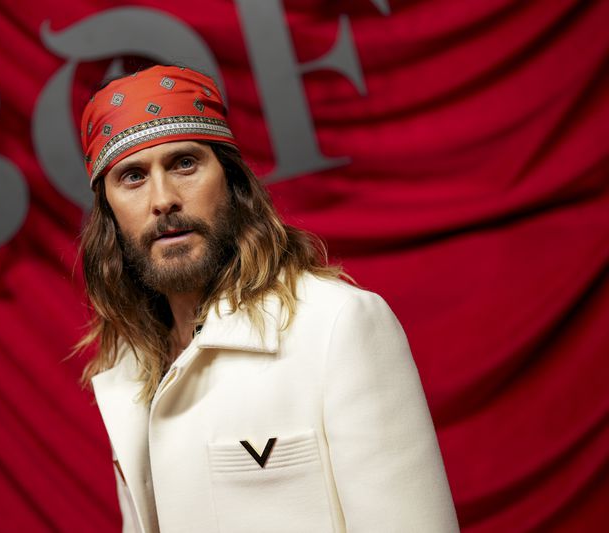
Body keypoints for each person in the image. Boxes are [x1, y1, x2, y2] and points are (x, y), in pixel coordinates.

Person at [75, 64, 459, 533]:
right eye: (132, 176)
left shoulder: (336, 324)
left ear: (233, 183)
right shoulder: (128, 368)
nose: (163, 199)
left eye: (184, 163)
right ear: (109, 213)